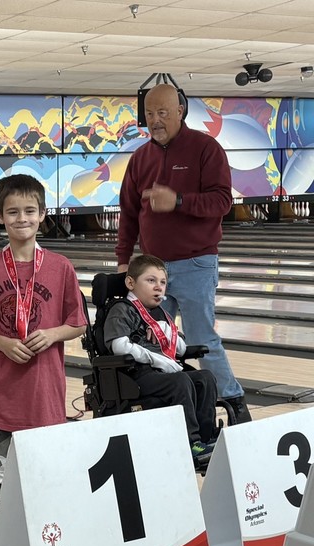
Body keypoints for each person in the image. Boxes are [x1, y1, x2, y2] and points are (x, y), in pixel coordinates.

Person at [0, 174, 87, 546]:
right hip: (3, 402)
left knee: (48, 486)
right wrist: (3, 344)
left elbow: (78, 323)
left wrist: (51, 335)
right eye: (12, 212)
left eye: (29, 211)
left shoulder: (61, 267)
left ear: (43, 215)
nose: (21, 219)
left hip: (46, 401)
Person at [115, 82, 250, 423]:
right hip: (153, 269)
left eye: (162, 112)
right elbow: (129, 214)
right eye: (149, 114)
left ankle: (234, 402)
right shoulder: (140, 159)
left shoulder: (205, 148)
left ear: (180, 111)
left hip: (195, 263)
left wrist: (177, 200)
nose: (155, 120)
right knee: (153, 340)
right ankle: (181, 407)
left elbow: (222, 201)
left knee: (202, 338)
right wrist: (122, 261)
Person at [103, 255, 218, 467]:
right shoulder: (121, 309)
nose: (159, 288)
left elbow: (179, 348)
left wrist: (168, 331)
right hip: (135, 374)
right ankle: (190, 443)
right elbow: (118, 346)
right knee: (181, 381)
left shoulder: (161, 313)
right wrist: (156, 359)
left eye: (163, 282)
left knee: (205, 378)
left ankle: (206, 438)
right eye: (151, 281)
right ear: (131, 283)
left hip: (161, 373)